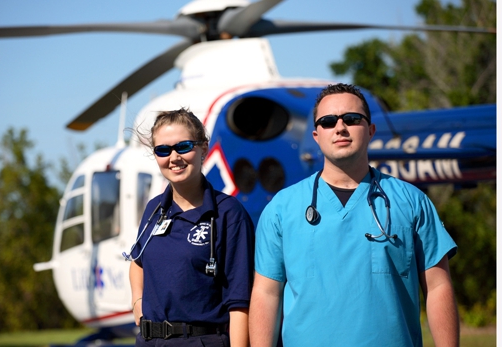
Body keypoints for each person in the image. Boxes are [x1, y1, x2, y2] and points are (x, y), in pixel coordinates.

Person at [249, 83, 459, 346]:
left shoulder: (412, 201)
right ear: (316, 135)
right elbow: (267, 293)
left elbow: (438, 287)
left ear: (371, 130)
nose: (340, 128)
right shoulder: (282, 208)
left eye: (351, 119)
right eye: (327, 121)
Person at [126, 108, 255, 346]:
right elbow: (137, 261)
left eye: (183, 146)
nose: (174, 157)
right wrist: (137, 301)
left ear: (203, 149)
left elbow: (240, 303)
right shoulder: (154, 209)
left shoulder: (229, 214)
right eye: (163, 150)